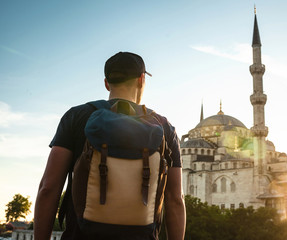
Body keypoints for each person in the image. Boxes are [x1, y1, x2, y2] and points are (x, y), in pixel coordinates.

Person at [34, 52, 186, 240]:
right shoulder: (164, 127)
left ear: (107, 82)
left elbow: (49, 188)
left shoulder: (76, 116)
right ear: (141, 79)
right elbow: (175, 199)